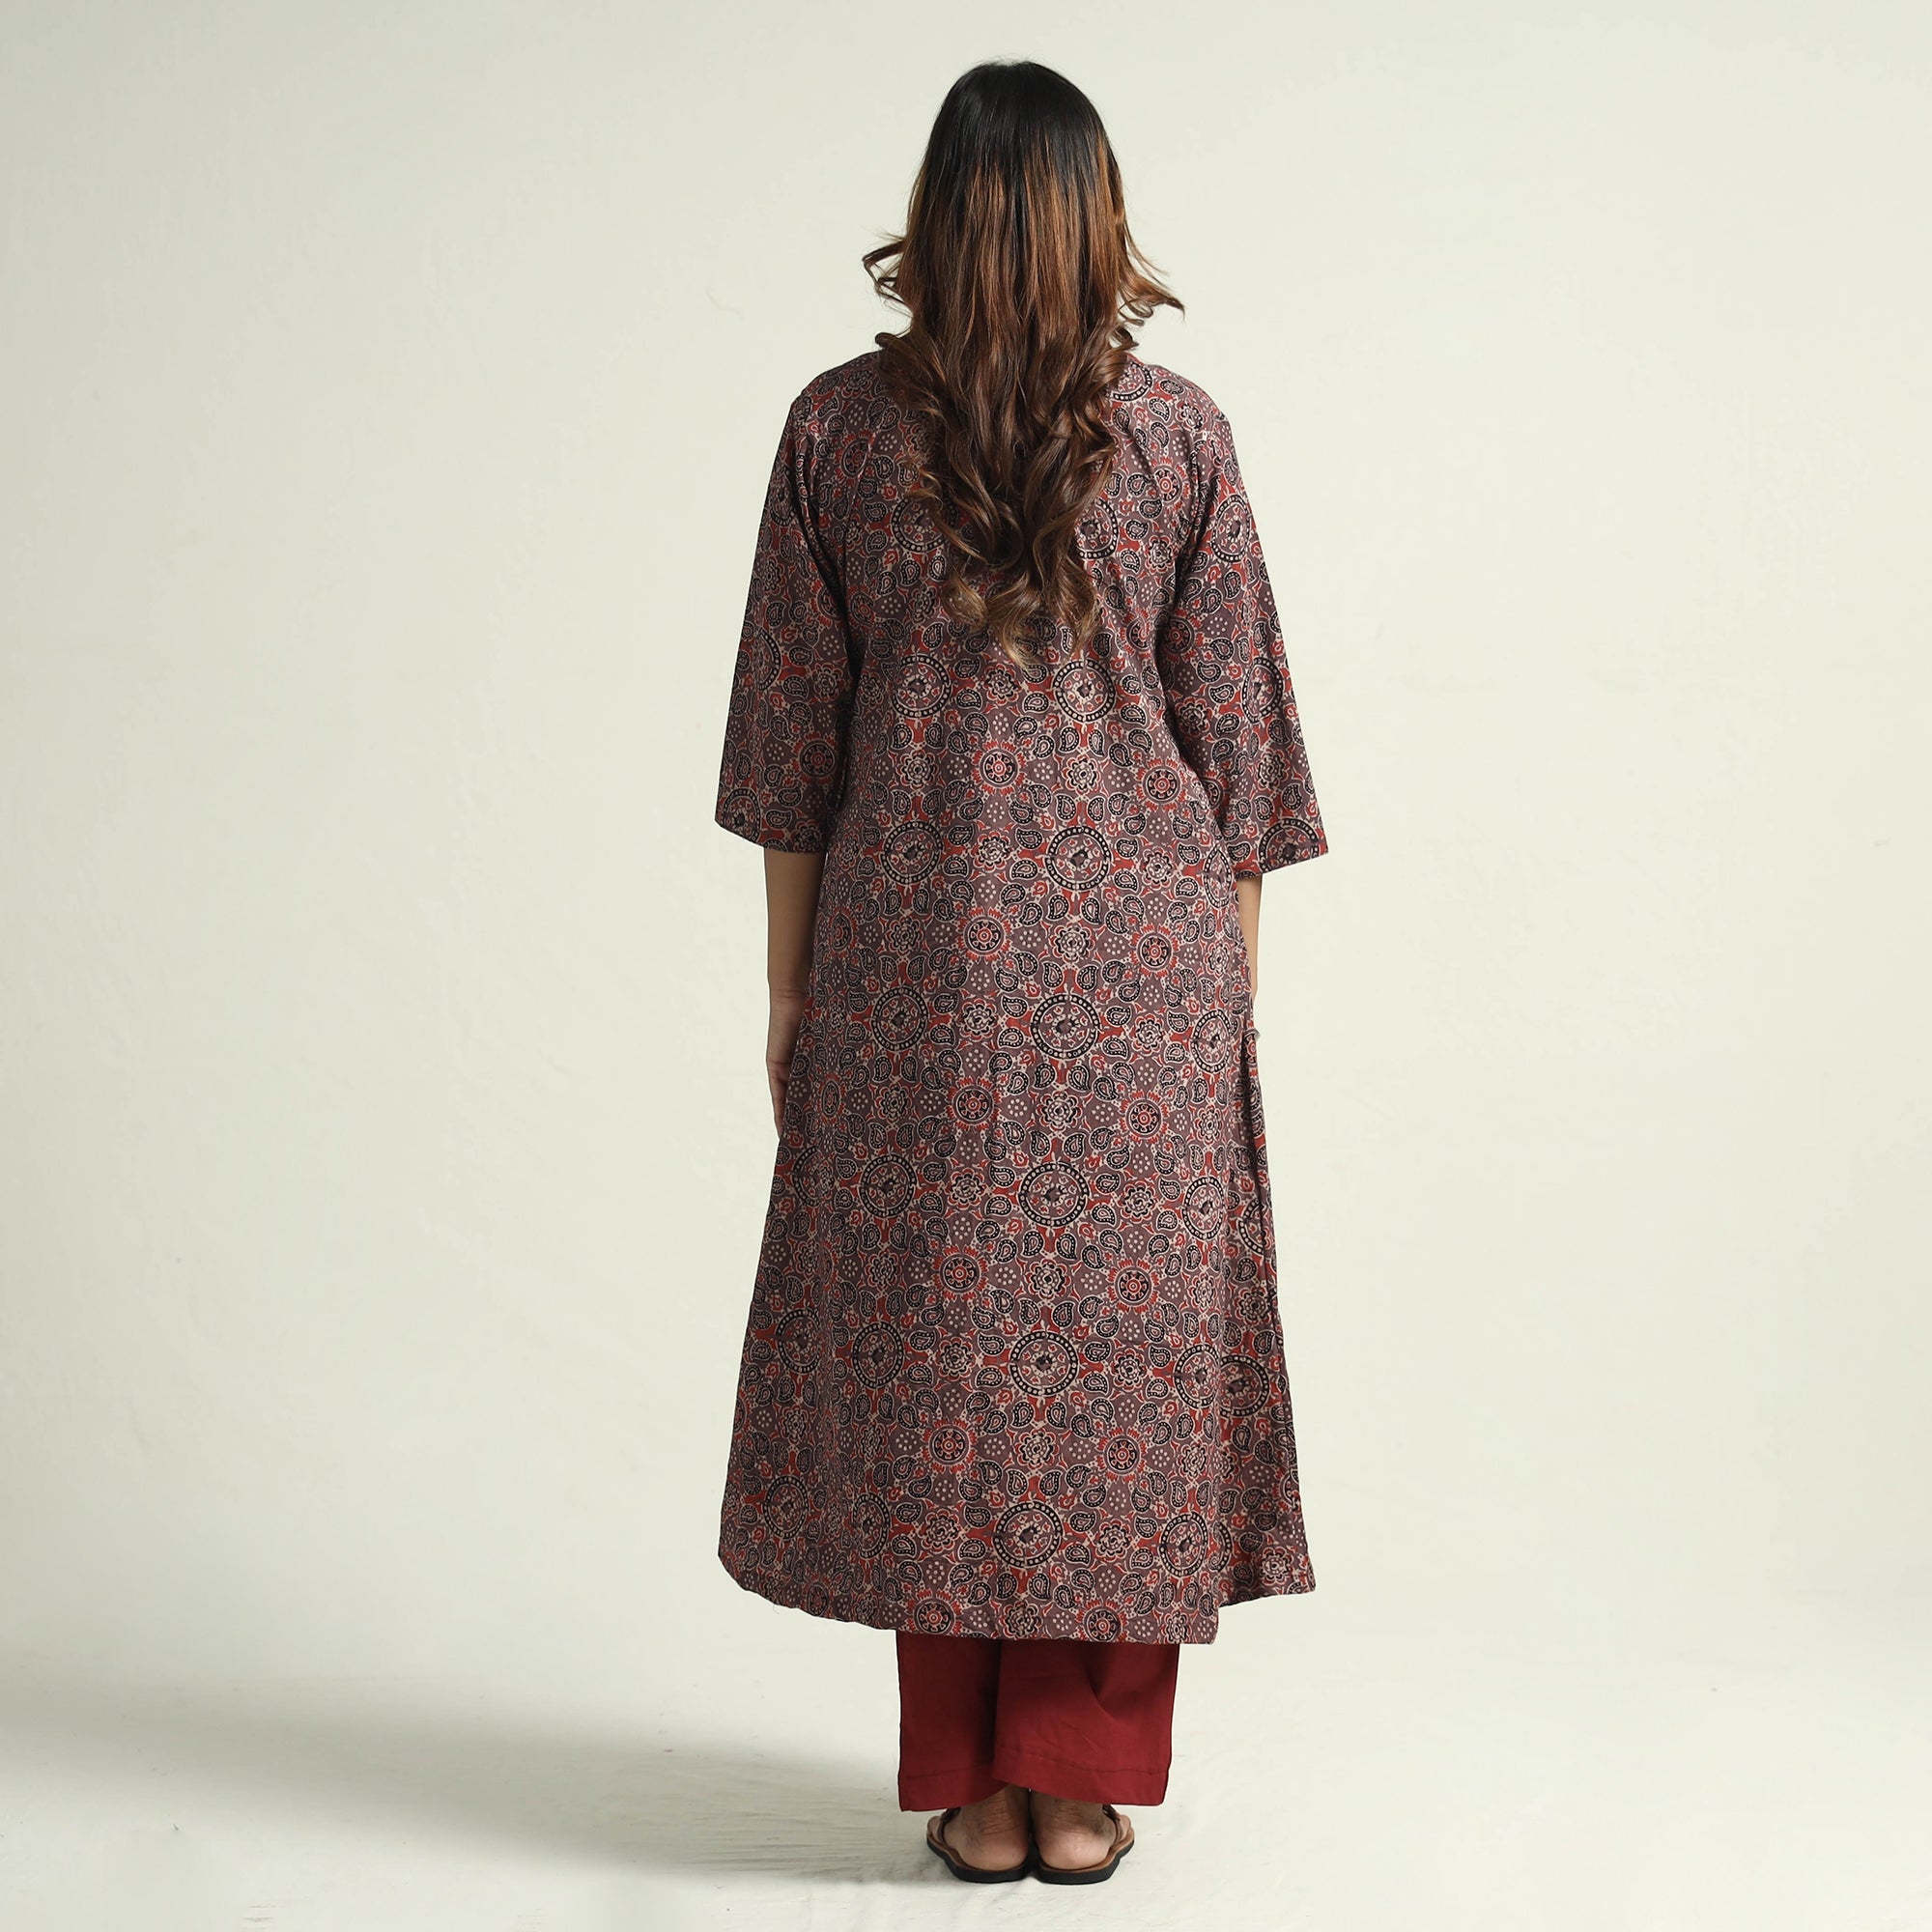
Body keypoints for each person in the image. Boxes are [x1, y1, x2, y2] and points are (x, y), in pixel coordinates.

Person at [712, 57, 1329, 1885]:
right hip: (1147, 970)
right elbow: (1237, 765)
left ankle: (976, 1784)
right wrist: (1224, 1003)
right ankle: (1080, 1778)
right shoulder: (1181, 435)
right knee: (1117, 1370)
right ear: (1095, 222)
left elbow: (791, 758)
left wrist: (791, 993)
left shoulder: (836, 431)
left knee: (938, 1360)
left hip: (910, 966)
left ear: (941, 218)